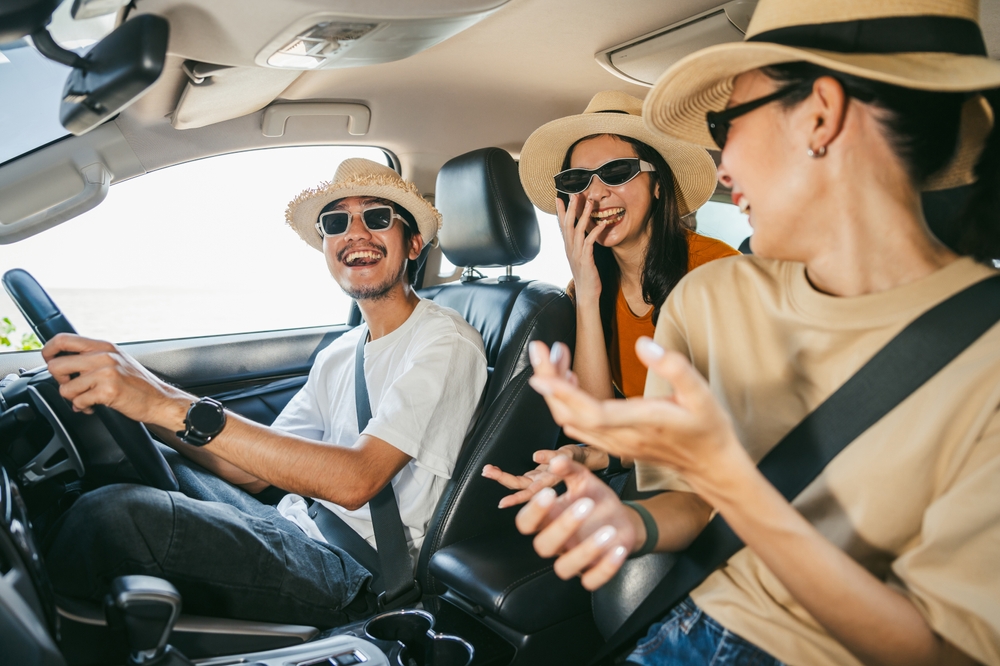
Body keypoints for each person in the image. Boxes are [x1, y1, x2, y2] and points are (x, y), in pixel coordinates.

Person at [514, 1, 1000, 664]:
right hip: (684, 625)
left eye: (725, 124)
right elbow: (682, 495)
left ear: (820, 116)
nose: (722, 160)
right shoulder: (712, 301)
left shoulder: (984, 355)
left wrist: (734, 484)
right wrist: (631, 520)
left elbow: (948, 653)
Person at [42, 158, 488, 626]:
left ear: (413, 242)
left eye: (376, 218)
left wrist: (160, 400)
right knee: (137, 466)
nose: (355, 233)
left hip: (356, 567)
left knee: (115, 518)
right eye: (336, 222)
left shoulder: (444, 342)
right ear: (326, 246)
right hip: (294, 522)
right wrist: (141, 405)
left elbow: (356, 481)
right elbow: (249, 474)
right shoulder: (341, 352)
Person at [483, 91, 738, 507]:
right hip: (648, 468)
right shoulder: (586, 287)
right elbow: (599, 424)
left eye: (617, 171)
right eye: (576, 181)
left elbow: (724, 422)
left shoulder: (715, 270)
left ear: (658, 185)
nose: (595, 194)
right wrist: (586, 290)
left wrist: (606, 456)